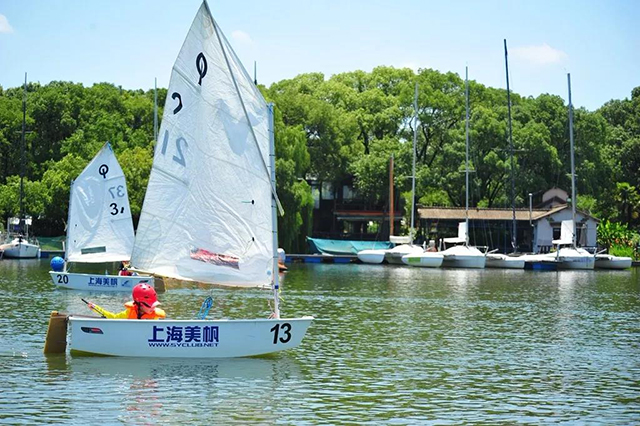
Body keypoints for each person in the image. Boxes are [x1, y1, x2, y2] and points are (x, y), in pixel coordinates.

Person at [86, 283, 166, 319]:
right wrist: (95, 308)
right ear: (139, 304)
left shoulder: (155, 316)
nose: (153, 308)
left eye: (154, 305)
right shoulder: (128, 313)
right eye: (150, 305)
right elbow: (113, 317)